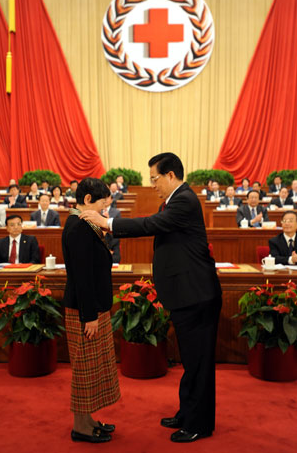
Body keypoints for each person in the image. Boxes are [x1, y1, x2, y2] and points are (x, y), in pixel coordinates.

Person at [80, 153, 222, 443]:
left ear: (171, 175)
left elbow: (150, 225)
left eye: (155, 179)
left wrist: (106, 223)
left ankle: (200, 424)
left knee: (199, 363)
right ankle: (187, 413)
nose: (152, 185)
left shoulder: (184, 199)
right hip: (186, 295)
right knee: (190, 361)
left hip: (197, 294)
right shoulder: (175, 199)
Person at [62, 178, 120, 444]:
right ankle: (80, 427)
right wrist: (90, 316)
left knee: (93, 368)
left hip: (94, 308)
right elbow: (82, 277)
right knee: (85, 370)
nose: (105, 208)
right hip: (85, 312)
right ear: (87, 200)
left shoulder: (85, 224)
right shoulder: (78, 228)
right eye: (101, 203)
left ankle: (87, 420)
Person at [102, 195, 121, 264]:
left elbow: (118, 231)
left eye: (108, 197)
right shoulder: (96, 212)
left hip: (113, 244)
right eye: (104, 197)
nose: (105, 199)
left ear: (111, 200)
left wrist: (108, 221)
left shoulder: (116, 212)